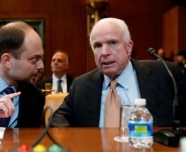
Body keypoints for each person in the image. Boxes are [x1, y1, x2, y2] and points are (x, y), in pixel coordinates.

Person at [51, 17, 186, 128]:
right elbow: (58, 119)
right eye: (97, 46)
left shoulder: (165, 74)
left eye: (113, 43)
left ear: (128, 47)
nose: (104, 53)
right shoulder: (81, 85)